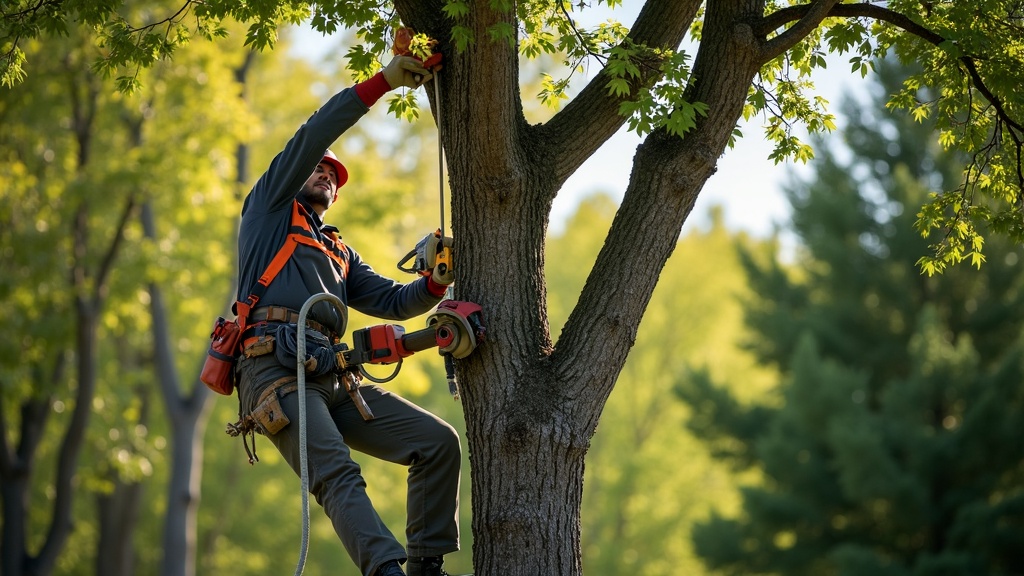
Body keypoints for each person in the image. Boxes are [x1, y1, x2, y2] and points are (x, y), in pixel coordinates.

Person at [233, 55, 460, 576]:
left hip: (331, 372)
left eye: (333, 177)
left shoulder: (336, 251)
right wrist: (383, 83)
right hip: (275, 367)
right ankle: (385, 570)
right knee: (337, 473)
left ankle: (427, 565)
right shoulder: (269, 208)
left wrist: (435, 281)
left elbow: (395, 301)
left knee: (436, 443)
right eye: (317, 169)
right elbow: (317, 132)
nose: (324, 177)